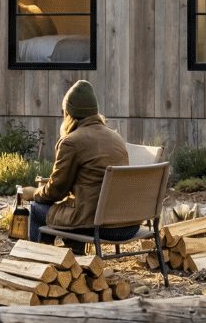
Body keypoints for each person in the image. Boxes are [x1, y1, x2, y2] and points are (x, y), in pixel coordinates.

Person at [27, 79, 137, 244]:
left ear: (69, 114)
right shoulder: (116, 137)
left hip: (98, 226)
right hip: (128, 225)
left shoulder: (72, 142)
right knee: (75, 208)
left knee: (37, 209)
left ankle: (41, 263)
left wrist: (33, 193)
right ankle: (73, 258)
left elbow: (56, 191)